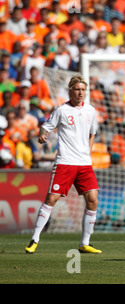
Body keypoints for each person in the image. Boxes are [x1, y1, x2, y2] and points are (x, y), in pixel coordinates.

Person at [25, 75, 101, 254]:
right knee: (51, 199)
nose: (80, 92)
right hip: (65, 162)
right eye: (77, 89)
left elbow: (92, 133)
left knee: (93, 200)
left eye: (83, 89)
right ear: (70, 91)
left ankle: (84, 243)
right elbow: (46, 126)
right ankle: (35, 238)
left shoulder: (90, 110)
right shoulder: (62, 110)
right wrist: (43, 135)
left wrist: (87, 154)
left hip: (84, 164)